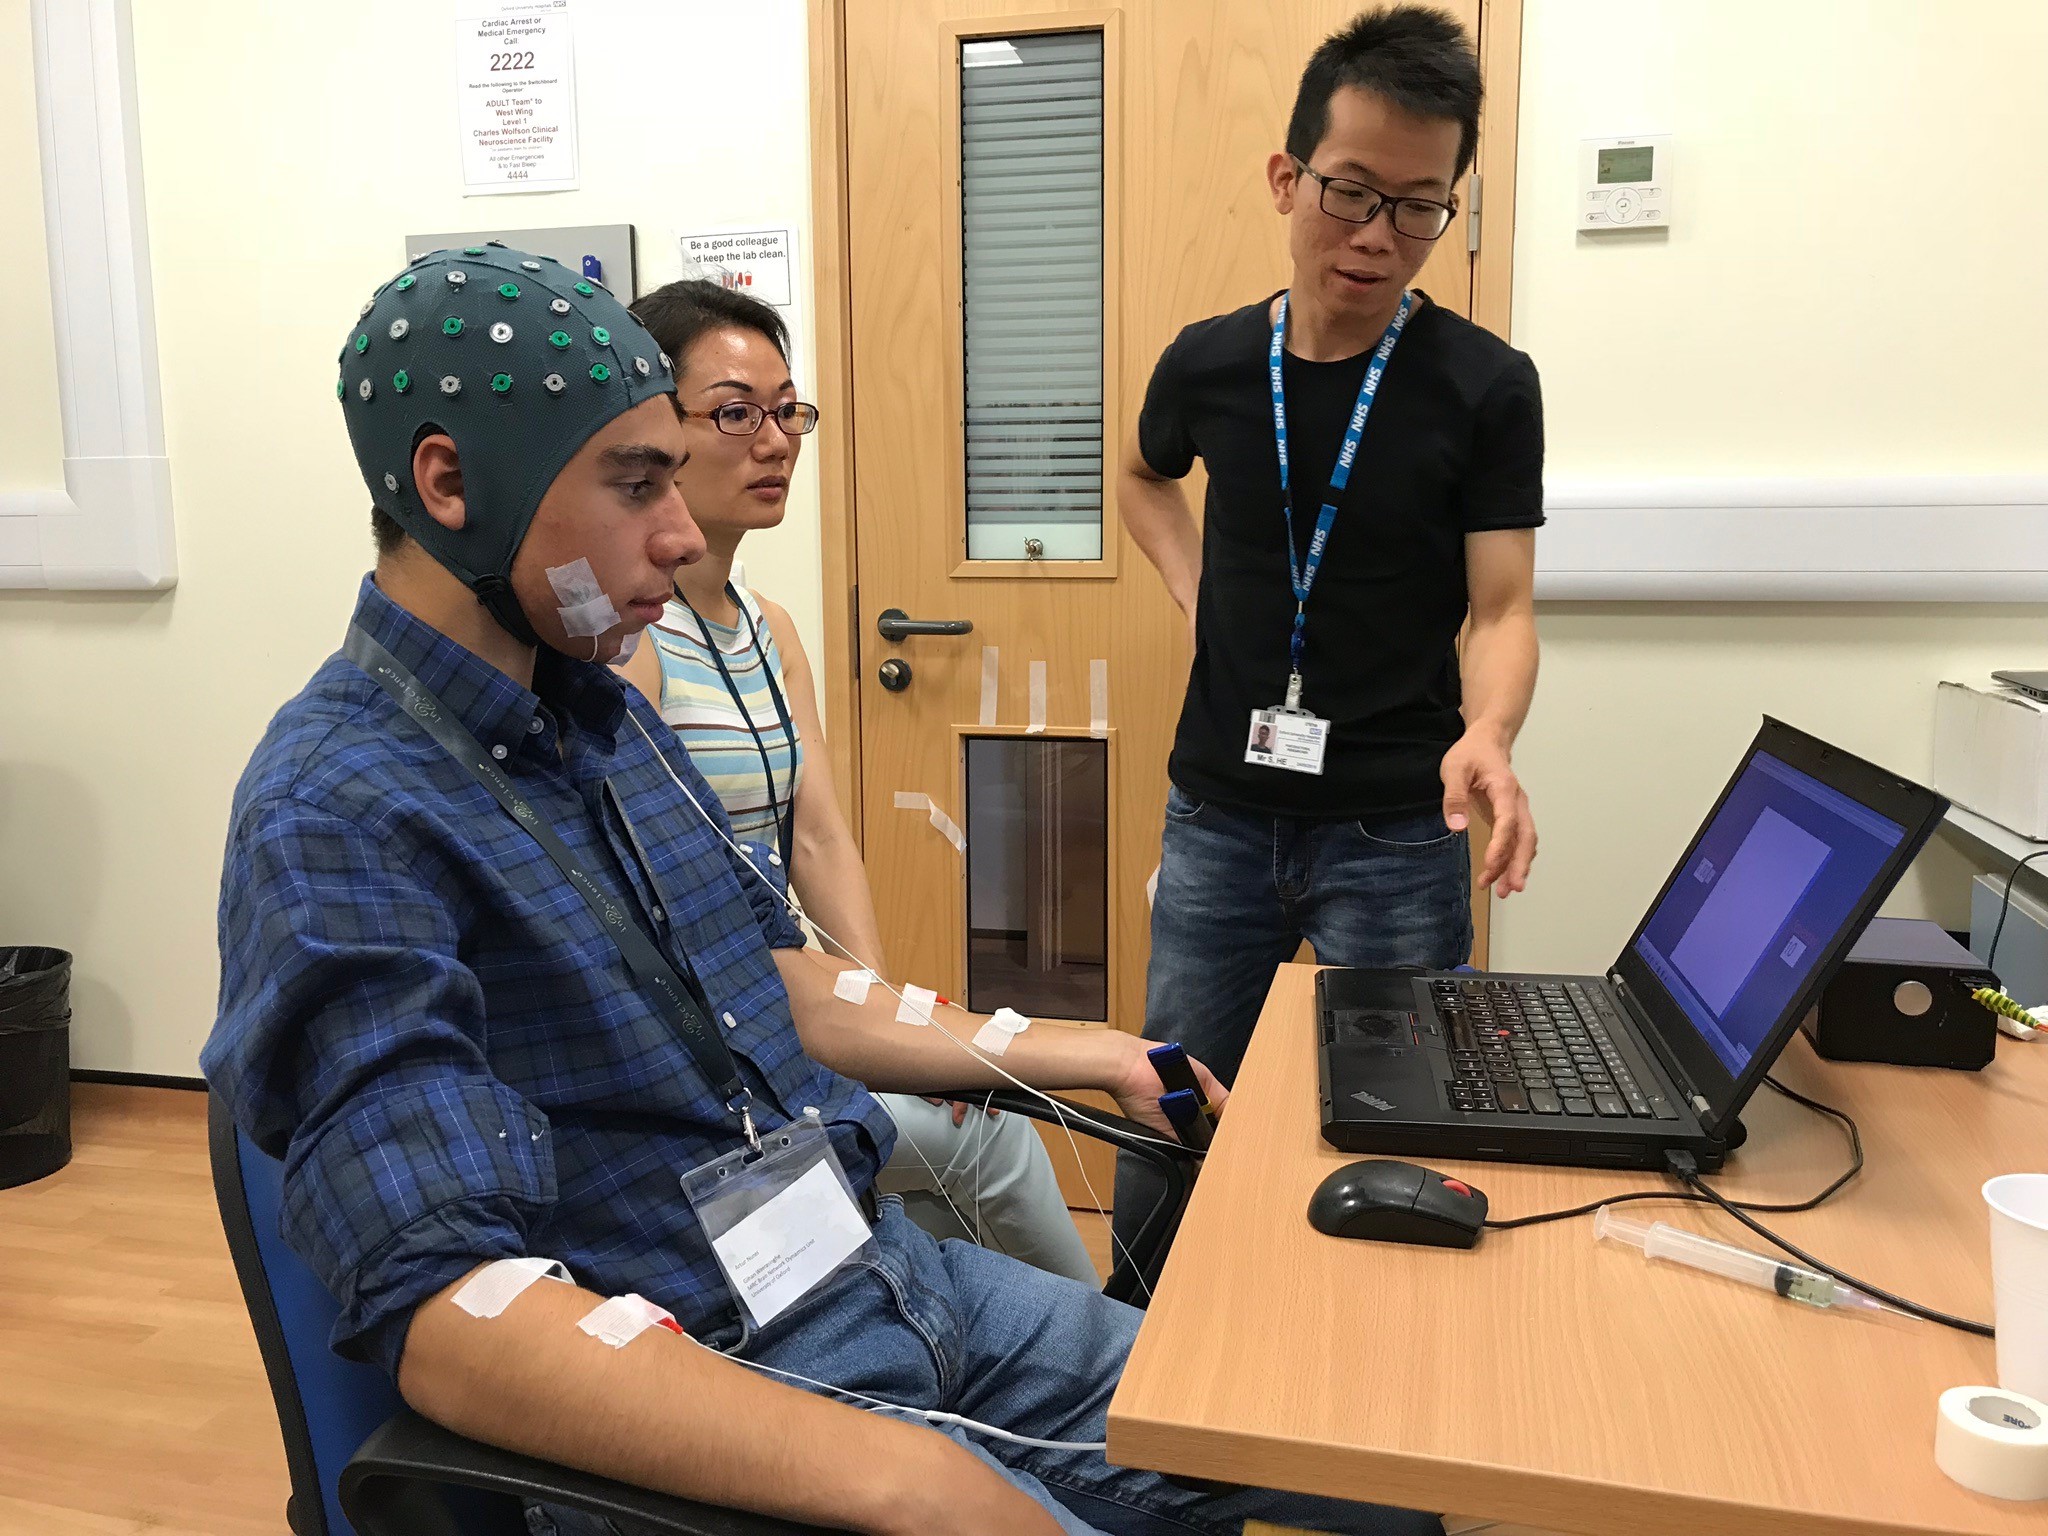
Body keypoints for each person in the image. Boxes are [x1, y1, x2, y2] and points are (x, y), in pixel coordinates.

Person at [204, 243, 1439, 1536]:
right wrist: (916, 1485)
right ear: (450, 484)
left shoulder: (599, 716)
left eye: (675, 481)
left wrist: (1082, 1050)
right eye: (637, 487)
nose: (681, 536)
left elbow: (769, 978)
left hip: (877, 1274)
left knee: (1347, 1442)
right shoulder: (338, 811)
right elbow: (451, 1318)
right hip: (716, 1377)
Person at [616, 277, 1097, 1285]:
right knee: (993, 1145)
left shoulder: (766, 627)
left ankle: (1022, 1369)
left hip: (804, 1009)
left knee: (959, 1124)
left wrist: (887, 1025)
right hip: (724, 1047)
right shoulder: (634, 645)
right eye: (735, 413)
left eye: (787, 411)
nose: (775, 439)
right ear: (656, 430)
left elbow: (820, 839)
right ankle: (1114, 1370)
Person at [1119, 3, 1544, 1102]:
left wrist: (1489, 731)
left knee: (1400, 1125)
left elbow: (1499, 610)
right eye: (1349, 191)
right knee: (1175, 1107)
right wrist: (1198, 590)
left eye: (1416, 208)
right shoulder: (1206, 363)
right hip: (1217, 815)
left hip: (1399, 830)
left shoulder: (1485, 388)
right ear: (1285, 178)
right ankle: (1143, 1288)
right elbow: (1140, 475)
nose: (1374, 235)